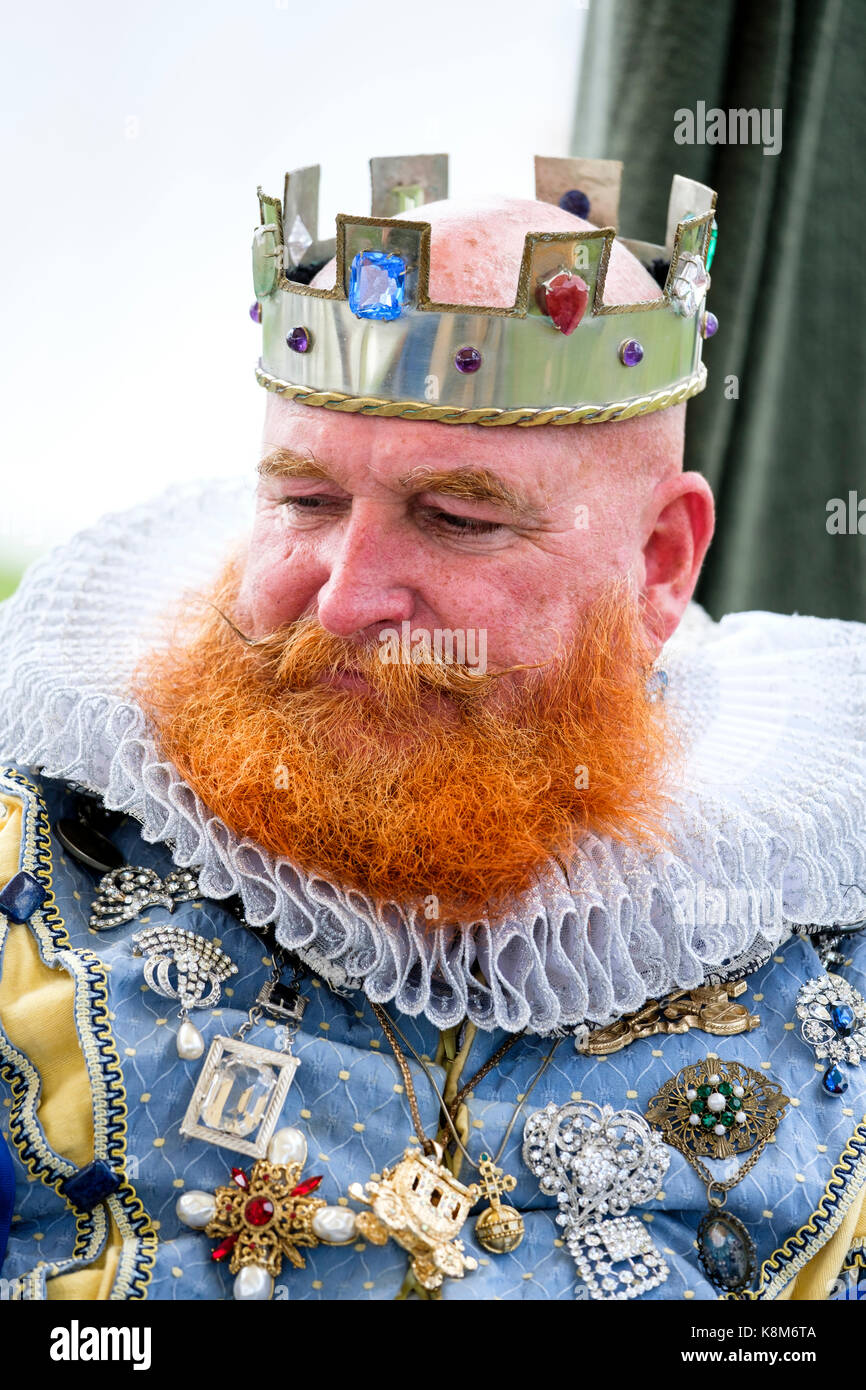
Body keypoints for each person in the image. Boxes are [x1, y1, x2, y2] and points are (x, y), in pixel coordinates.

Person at [0, 155, 863, 1302]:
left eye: (456, 518)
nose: (345, 601)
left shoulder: (818, 943)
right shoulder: (27, 871)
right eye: (305, 500)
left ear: (657, 565)